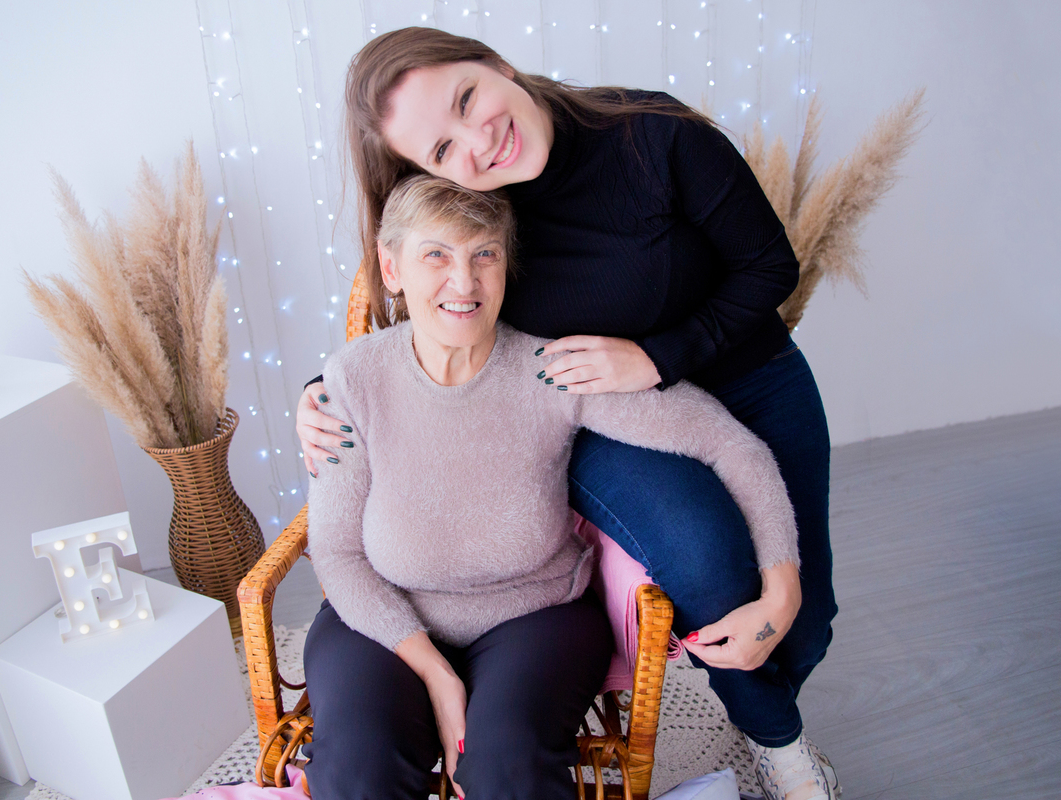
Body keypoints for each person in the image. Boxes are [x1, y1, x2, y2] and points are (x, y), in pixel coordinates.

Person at [296, 27, 841, 800]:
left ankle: (768, 708)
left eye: (467, 99)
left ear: (496, 64)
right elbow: (422, 317)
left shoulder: (656, 136)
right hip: (608, 409)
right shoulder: (484, 219)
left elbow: (769, 266)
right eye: (443, 149)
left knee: (805, 615)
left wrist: (657, 357)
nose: (478, 142)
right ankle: (777, 741)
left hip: (746, 372)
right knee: (711, 568)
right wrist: (322, 392)